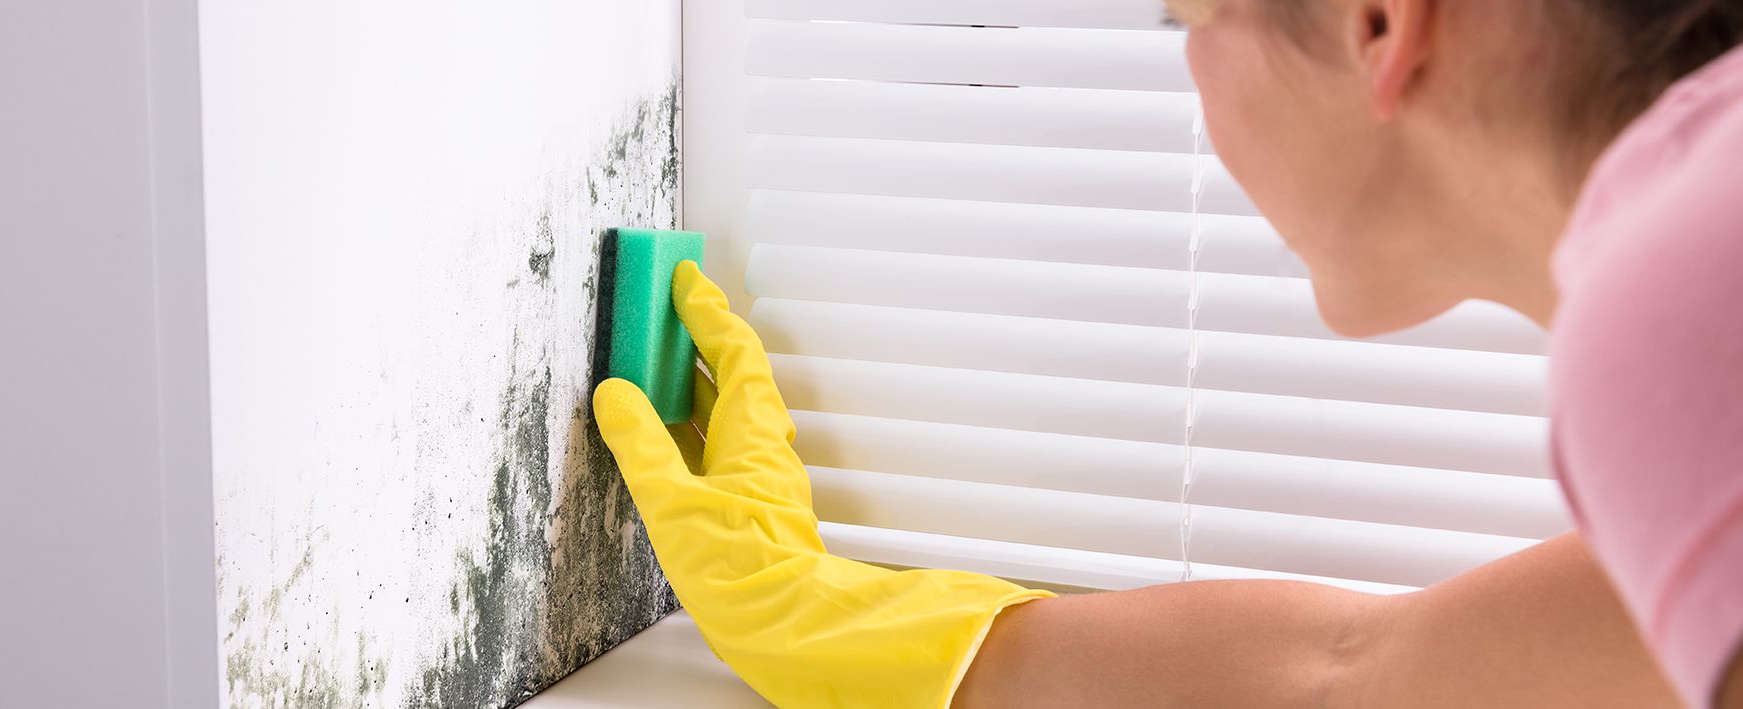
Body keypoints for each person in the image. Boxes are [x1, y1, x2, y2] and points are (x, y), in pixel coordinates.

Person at [591, 0, 1743, 706]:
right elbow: (1357, 674)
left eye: (1188, 20)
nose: (1192, 79)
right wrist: (816, 608)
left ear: (1375, 22)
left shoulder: (1675, 296)